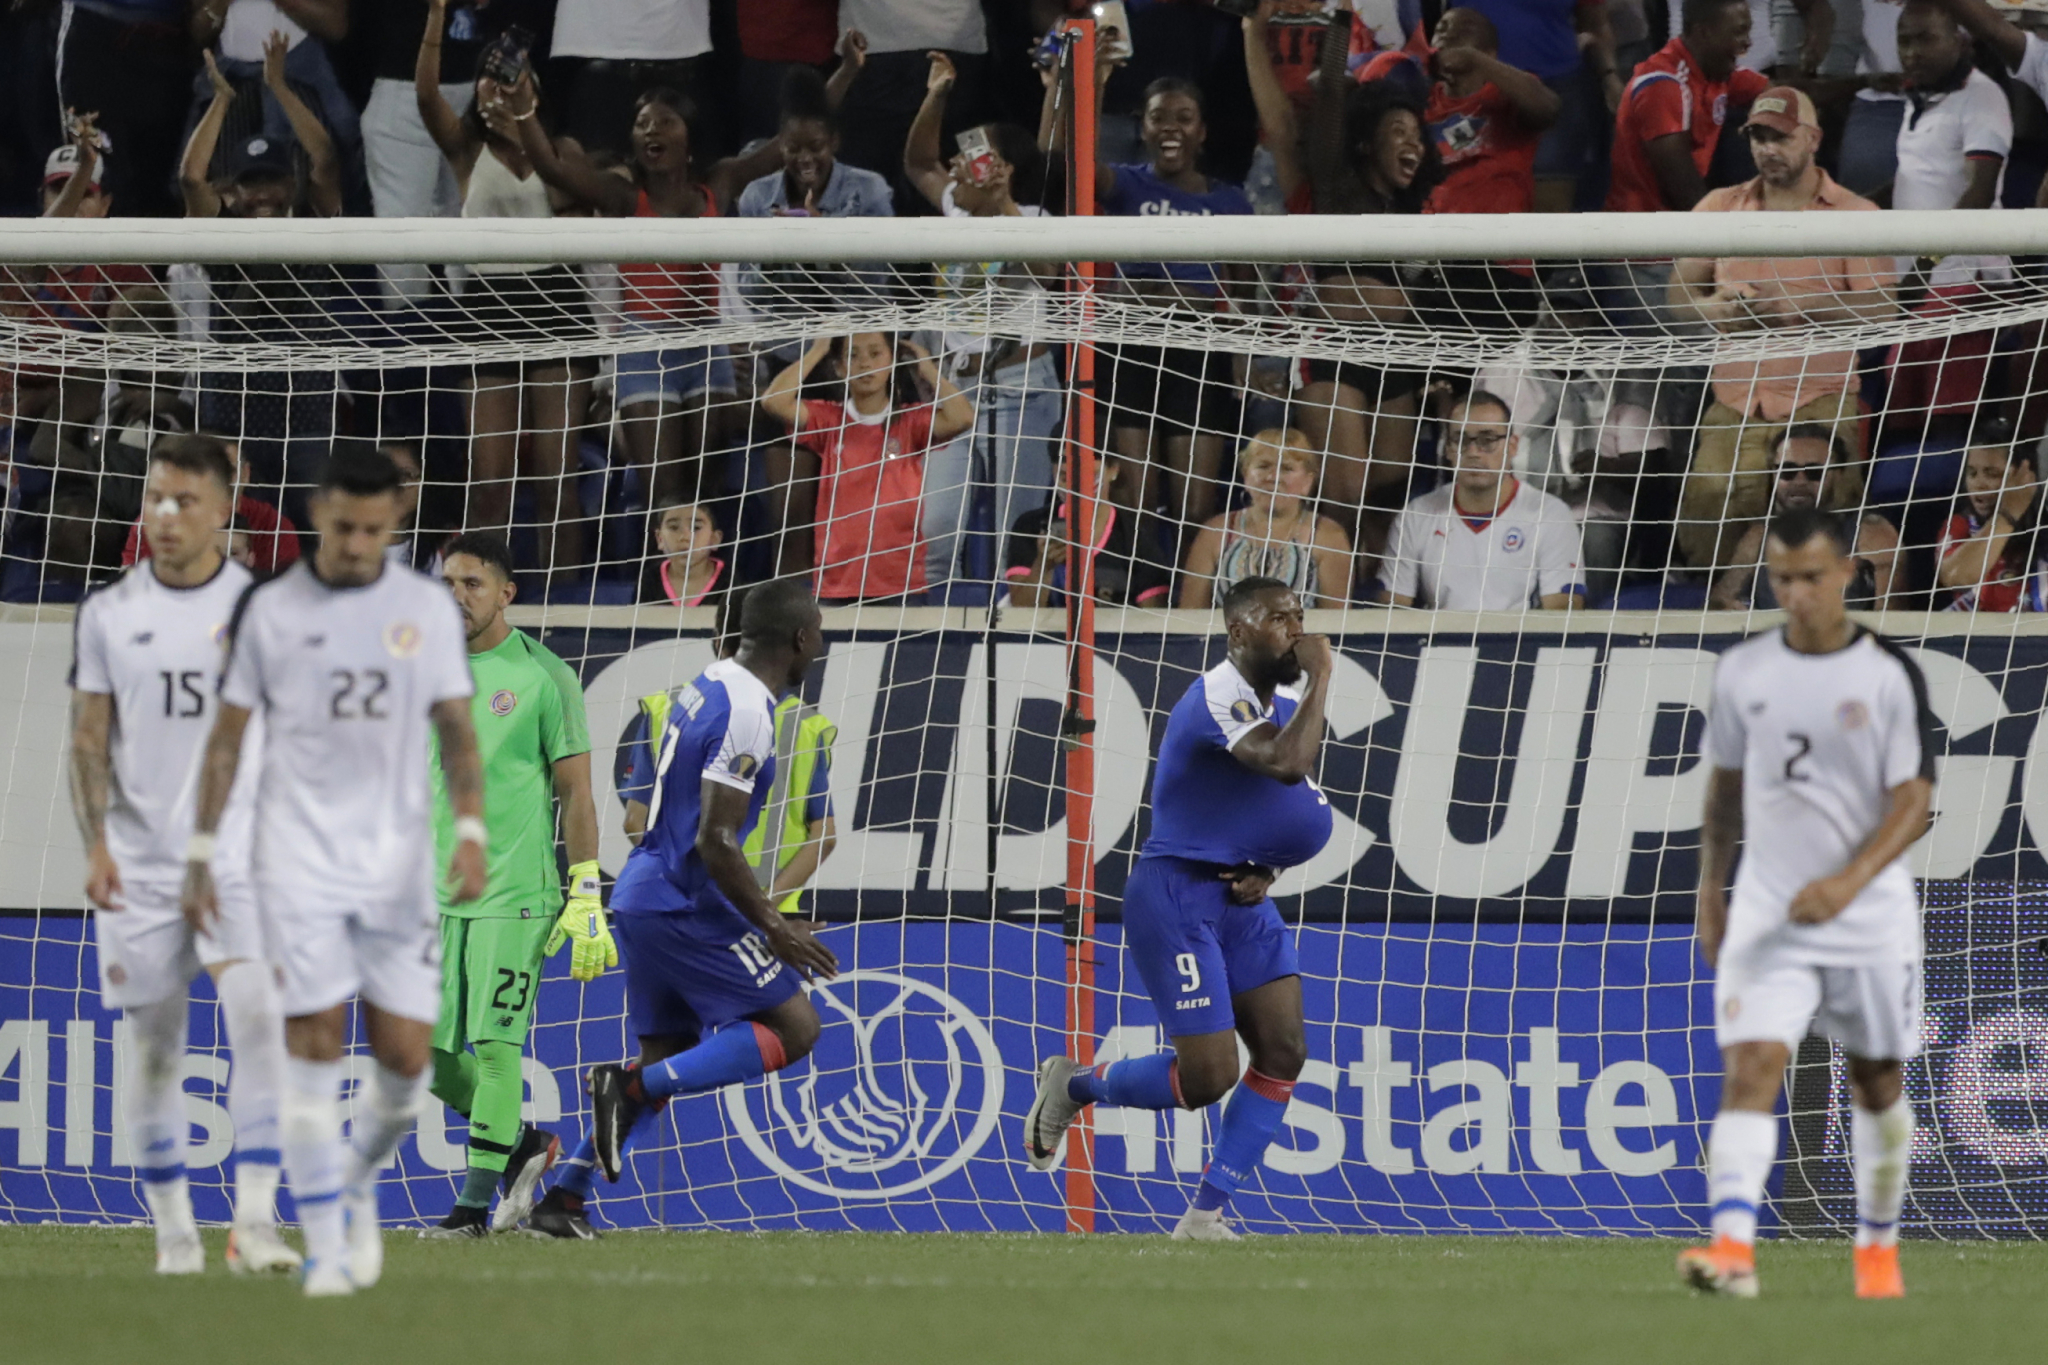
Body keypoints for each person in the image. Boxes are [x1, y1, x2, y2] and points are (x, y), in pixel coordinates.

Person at [180, 443, 486, 1296]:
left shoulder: (422, 609)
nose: (356, 544)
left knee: (406, 1066)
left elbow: (457, 728)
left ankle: (354, 1185)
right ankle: (323, 1242)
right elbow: (227, 738)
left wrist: (469, 827)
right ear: (318, 514)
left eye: (373, 530)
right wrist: (202, 850)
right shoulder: (270, 608)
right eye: (344, 527)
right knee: (312, 1044)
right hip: (297, 864)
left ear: (395, 523)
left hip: (395, 864)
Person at [525, 580, 837, 1240]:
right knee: (797, 1027)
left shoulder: (707, 683)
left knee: (668, 1055)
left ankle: (565, 1198)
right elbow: (715, 839)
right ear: (800, 638)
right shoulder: (750, 711)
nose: (820, 644)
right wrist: (773, 925)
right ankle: (626, 1088)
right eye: (818, 632)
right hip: (684, 901)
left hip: (643, 892)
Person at [1025, 576, 1331, 1241]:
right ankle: (1074, 1086)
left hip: (1237, 896)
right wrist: (1324, 675)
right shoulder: (1220, 694)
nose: (1297, 631)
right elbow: (1286, 764)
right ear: (1239, 631)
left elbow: (1276, 803)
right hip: (1176, 895)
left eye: (1300, 616)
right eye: (1280, 619)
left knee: (1284, 1049)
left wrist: (1268, 867)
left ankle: (1204, 1216)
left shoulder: (1274, 703)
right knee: (1210, 1076)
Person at [1683, 505, 1934, 1300]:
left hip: (1867, 912)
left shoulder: (1887, 673)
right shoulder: (1743, 670)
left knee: (1876, 1078)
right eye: (1782, 579)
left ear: (1848, 573)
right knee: (1752, 1064)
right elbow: (1725, 788)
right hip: (1770, 906)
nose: (1796, 595)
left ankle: (1877, 1249)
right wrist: (1711, 888)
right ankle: (1732, 1250)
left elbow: (1914, 801)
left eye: (1812, 578)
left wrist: (1847, 883)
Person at [67, 436, 297, 1276]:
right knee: (158, 1051)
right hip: (139, 863)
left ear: (223, 510)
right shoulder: (107, 612)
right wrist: (96, 842)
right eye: (155, 498)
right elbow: (88, 739)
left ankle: (255, 1222)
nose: (165, 515)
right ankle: (174, 1235)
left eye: (184, 501)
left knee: (260, 1021)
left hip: (236, 858)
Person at [422, 532, 609, 1239]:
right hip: (433, 894)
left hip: (514, 894)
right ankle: (525, 1143)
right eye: (447, 583)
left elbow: (577, 791)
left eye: (472, 584)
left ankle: (471, 1210)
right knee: (422, 1054)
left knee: (496, 1049)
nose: (457, 597)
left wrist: (584, 886)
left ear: (506, 593)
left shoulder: (543, 676)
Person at [511, 82, 783, 508]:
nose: (651, 130)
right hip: (644, 352)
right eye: (642, 124)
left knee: (706, 498)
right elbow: (552, 168)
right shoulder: (622, 196)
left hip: (706, 350)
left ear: (690, 136)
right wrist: (524, 111)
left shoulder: (718, 184)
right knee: (665, 499)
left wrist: (845, 71)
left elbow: (785, 145)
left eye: (665, 122)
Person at [1668, 86, 1898, 571]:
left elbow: (1883, 309)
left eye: (1780, 137)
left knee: (1823, 526)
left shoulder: (1855, 214)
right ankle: (1718, 604)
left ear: (1813, 139)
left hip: (1820, 396)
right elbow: (1679, 297)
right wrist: (1714, 309)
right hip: (1735, 398)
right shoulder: (1719, 207)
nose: (1767, 149)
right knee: (1708, 516)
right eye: (1758, 138)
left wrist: (1807, 306)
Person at [416, 0, 593, 578]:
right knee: (490, 480)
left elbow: (572, 202)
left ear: (530, 89)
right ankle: (476, 593)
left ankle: (566, 604)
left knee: (556, 479)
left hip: (557, 301)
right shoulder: (466, 149)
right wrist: (436, 19)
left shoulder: (562, 149)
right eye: (488, 82)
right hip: (487, 306)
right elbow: (426, 98)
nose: (496, 90)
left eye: (509, 81)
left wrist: (525, 126)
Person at [1053, 57, 1253, 543]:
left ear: (1202, 131)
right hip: (1129, 348)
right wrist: (1093, 82)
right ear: (1142, 128)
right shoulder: (1127, 182)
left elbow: (1244, 293)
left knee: (1194, 507)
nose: (1170, 127)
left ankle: (1188, 587)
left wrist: (1242, 356)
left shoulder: (1230, 202)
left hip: (1196, 354)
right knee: (1134, 498)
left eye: (1184, 118)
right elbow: (1071, 161)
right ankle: (1139, 584)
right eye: (1158, 117)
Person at [904, 51, 1061, 588]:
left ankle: (1014, 635)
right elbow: (918, 163)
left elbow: (1047, 273)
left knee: (1014, 542)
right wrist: (937, 94)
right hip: (954, 391)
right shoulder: (955, 208)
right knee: (934, 534)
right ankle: (934, 634)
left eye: (973, 153)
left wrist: (1004, 206)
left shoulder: (1035, 218)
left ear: (1004, 169)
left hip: (1023, 391)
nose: (955, 161)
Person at [758, 333, 975, 602]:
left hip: (901, 582)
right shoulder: (829, 419)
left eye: (875, 354)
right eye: (853, 355)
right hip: (837, 583)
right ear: (839, 368)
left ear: (892, 362)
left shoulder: (911, 421)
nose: (864, 364)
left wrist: (927, 369)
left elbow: (963, 418)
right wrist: (817, 351)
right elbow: (773, 401)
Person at [1380, 390, 1584, 609]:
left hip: (1518, 632)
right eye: (1461, 440)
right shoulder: (1416, 515)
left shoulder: (1551, 514)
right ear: (1448, 449)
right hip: (1439, 631)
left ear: (1512, 446)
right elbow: (1392, 609)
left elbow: (1562, 613)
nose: (1473, 452)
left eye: (1487, 440)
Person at [1707, 425, 1901, 609]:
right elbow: (1716, 607)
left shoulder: (1872, 536)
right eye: (1787, 471)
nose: (1800, 481)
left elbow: (1891, 619)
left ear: (1838, 474)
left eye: (1814, 472)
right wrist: (1726, 609)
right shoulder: (1758, 537)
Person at [1180, 429, 1355, 609]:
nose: (1273, 477)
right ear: (1246, 475)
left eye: (1286, 469)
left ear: (1307, 482)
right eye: (1263, 466)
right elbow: (1189, 615)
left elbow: (1337, 620)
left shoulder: (1328, 537)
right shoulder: (1214, 532)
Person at [1936, 426, 2037, 611]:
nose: (1979, 484)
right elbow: (1954, 577)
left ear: (2025, 477)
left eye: (1992, 474)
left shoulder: (2042, 526)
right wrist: (2008, 516)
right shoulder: (1960, 524)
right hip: (1976, 628)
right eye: (1972, 473)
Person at [640, 497, 727, 607]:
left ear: (714, 539)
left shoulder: (728, 580)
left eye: (695, 528)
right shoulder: (650, 580)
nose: (684, 537)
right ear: (660, 539)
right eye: (674, 527)